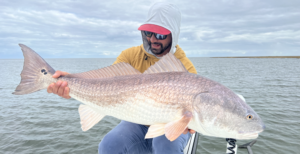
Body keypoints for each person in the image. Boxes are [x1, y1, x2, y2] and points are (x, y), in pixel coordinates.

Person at [47, 2, 197, 154]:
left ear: (174, 33)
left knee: (165, 144)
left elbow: (193, 117)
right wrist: (68, 82)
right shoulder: (129, 56)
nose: (152, 40)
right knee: (109, 145)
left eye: (160, 35)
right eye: (148, 33)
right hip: (137, 122)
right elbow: (103, 85)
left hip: (170, 125)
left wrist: (191, 124)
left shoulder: (185, 68)